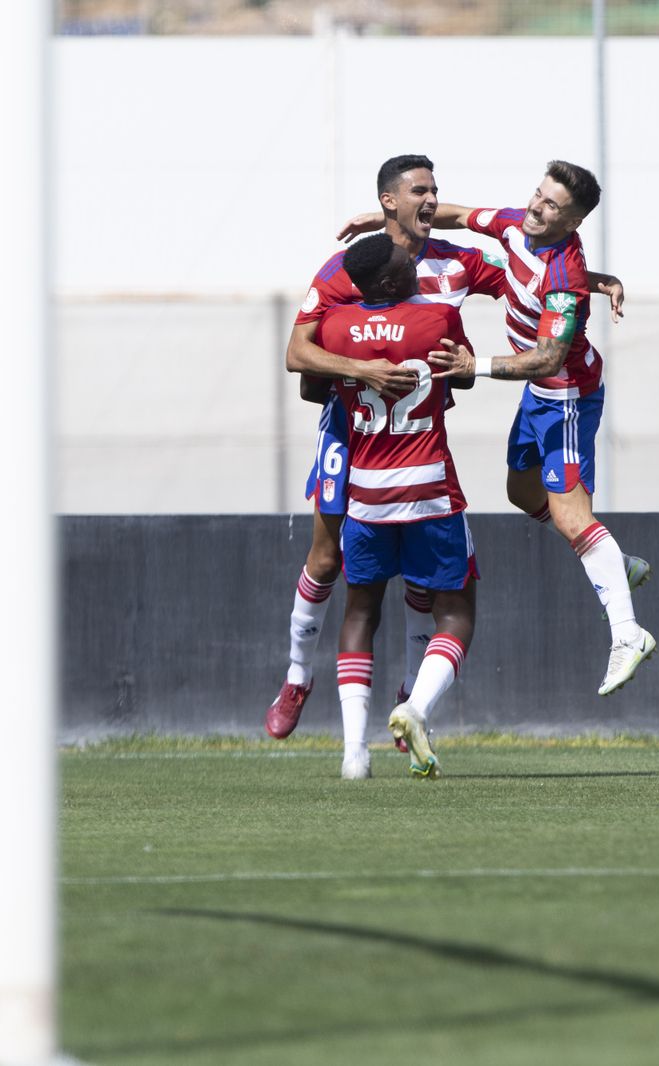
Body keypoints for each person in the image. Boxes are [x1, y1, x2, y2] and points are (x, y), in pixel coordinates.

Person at [267, 153, 629, 741]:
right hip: (347, 429)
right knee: (327, 559)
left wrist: (590, 281)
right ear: (390, 201)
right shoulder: (347, 267)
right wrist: (361, 369)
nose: (433, 200)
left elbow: (528, 276)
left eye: (437, 190)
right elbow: (297, 352)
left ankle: (410, 697)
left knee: (419, 578)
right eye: (421, 191)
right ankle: (296, 675)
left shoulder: (455, 263)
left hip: (413, 442)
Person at [347, 160, 655, 695]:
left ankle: (628, 633)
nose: (537, 207)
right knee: (521, 492)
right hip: (539, 399)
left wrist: (476, 367)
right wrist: (383, 220)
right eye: (538, 194)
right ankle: (613, 561)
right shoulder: (518, 222)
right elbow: (461, 214)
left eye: (552, 205)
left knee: (569, 515)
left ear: (574, 220)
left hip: (566, 397)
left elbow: (548, 359)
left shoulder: (563, 280)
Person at [314, 234, 479, 779]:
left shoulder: (335, 327)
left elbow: (313, 378)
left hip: (366, 497)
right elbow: (466, 376)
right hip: (430, 488)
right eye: (404, 260)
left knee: (360, 611)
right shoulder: (436, 318)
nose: (414, 260)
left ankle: (353, 753)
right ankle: (415, 708)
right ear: (389, 281)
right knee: (455, 612)